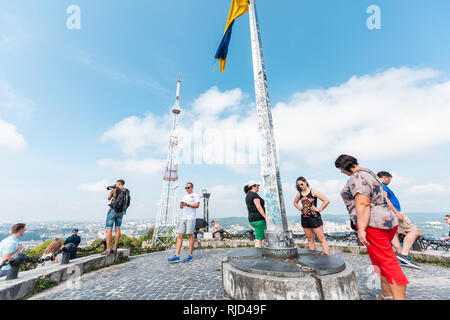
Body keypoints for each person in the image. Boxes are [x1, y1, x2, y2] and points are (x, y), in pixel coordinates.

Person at [335, 154, 408, 300]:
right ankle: (387, 295)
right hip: (386, 221)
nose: (341, 172)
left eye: (341, 169)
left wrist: (361, 229)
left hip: (373, 224)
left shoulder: (358, 177)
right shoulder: (369, 172)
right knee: (380, 261)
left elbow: (363, 203)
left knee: (388, 263)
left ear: (347, 166)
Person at [377, 171, 422, 269]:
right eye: (389, 179)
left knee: (394, 235)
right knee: (414, 231)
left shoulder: (375, 185)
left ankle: (401, 257)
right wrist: (397, 213)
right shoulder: (382, 185)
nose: (390, 181)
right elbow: (385, 199)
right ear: (384, 177)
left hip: (385, 214)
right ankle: (404, 255)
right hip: (393, 213)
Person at [293, 177, 331, 254]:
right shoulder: (299, 194)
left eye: (301, 184)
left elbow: (326, 201)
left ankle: (327, 258)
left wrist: (319, 209)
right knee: (310, 239)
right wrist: (300, 208)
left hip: (314, 217)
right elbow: (295, 202)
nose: (300, 186)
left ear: (306, 182)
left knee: (321, 239)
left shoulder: (312, 191)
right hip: (304, 218)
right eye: (298, 185)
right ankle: (312, 258)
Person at [168, 182, 200, 263]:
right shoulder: (184, 196)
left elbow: (197, 205)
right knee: (179, 235)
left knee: (190, 235)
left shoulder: (195, 195)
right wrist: (181, 205)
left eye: (188, 187)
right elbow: (182, 206)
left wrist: (188, 205)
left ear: (192, 187)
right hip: (183, 217)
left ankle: (190, 255)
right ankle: (177, 255)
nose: (187, 189)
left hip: (191, 218)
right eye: (185, 188)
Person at [101, 179, 130, 255]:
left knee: (109, 229)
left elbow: (108, 198)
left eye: (116, 184)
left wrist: (112, 190)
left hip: (113, 211)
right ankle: (115, 247)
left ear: (119, 183)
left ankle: (108, 249)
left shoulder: (114, 190)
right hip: (121, 212)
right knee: (117, 229)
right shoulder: (128, 191)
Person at [244, 181, 267, 248]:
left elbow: (247, 208)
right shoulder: (254, 195)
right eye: (257, 186)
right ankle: (258, 253)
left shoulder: (247, 196)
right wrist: (265, 216)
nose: (258, 187)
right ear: (253, 186)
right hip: (259, 219)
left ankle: (263, 251)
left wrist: (250, 215)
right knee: (259, 238)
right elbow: (259, 207)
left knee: (262, 236)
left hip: (252, 219)